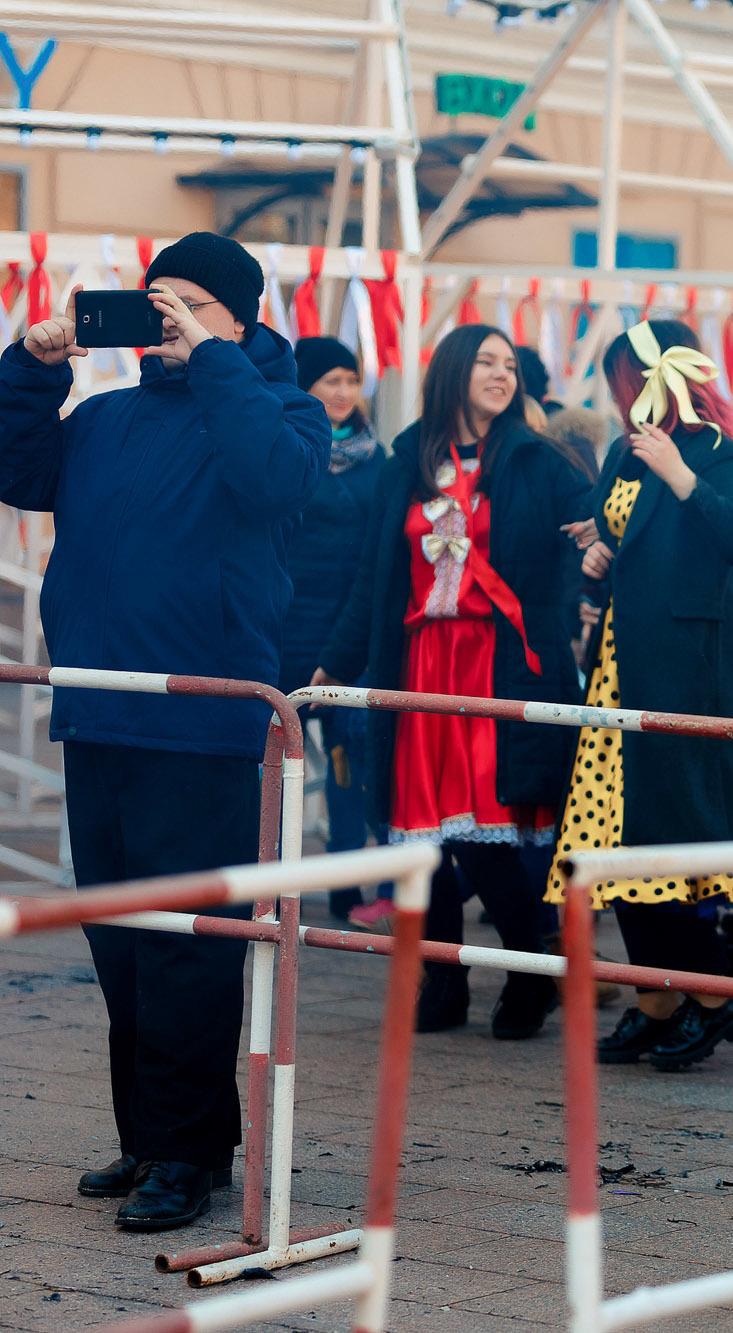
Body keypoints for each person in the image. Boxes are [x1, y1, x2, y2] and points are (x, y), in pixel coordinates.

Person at [0, 232, 329, 1229]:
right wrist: (31, 364)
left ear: (239, 319)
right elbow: (18, 469)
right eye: (155, 304)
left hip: (207, 722)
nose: (167, 321)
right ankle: (157, 1136)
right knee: (121, 944)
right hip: (100, 712)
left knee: (190, 950)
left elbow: (275, 482)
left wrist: (215, 361)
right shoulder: (104, 416)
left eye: (189, 304)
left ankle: (186, 1155)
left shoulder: (284, 411)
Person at [315, 323, 589, 1040]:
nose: (503, 373)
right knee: (418, 838)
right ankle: (444, 982)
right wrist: (335, 665)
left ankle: (531, 971)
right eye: (487, 362)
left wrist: (572, 599)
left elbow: (593, 538)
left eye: (509, 364)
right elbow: (375, 578)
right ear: (453, 372)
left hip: (495, 667)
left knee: (482, 837)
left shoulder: (540, 461)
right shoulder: (405, 460)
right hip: (419, 667)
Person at [544, 319, 733, 1073]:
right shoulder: (620, 451)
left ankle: (711, 998)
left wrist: (681, 475)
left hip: (681, 676)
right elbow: (616, 544)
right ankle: (658, 1000)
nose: (620, 397)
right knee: (610, 846)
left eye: (624, 380)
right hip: (617, 666)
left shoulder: (715, 453)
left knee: (660, 843)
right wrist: (596, 552)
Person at [285, 336, 392, 926]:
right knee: (280, 761)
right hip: (291, 627)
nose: (345, 392)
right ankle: (273, 879)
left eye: (352, 380)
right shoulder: (287, 450)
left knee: (353, 762)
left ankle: (352, 882)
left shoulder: (381, 459)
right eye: (332, 381)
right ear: (305, 387)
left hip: (355, 629)